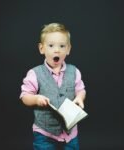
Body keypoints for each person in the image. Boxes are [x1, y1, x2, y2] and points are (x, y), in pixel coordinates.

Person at [20, 22, 86, 150]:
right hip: (44, 133)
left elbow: (81, 90)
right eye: (51, 46)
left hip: (70, 133)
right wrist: (36, 99)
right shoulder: (35, 73)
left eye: (62, 46)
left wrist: (80, 98)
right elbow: (24, 96)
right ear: (42, 48)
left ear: (68, 49)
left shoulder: (74, 71)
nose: (57, 50)